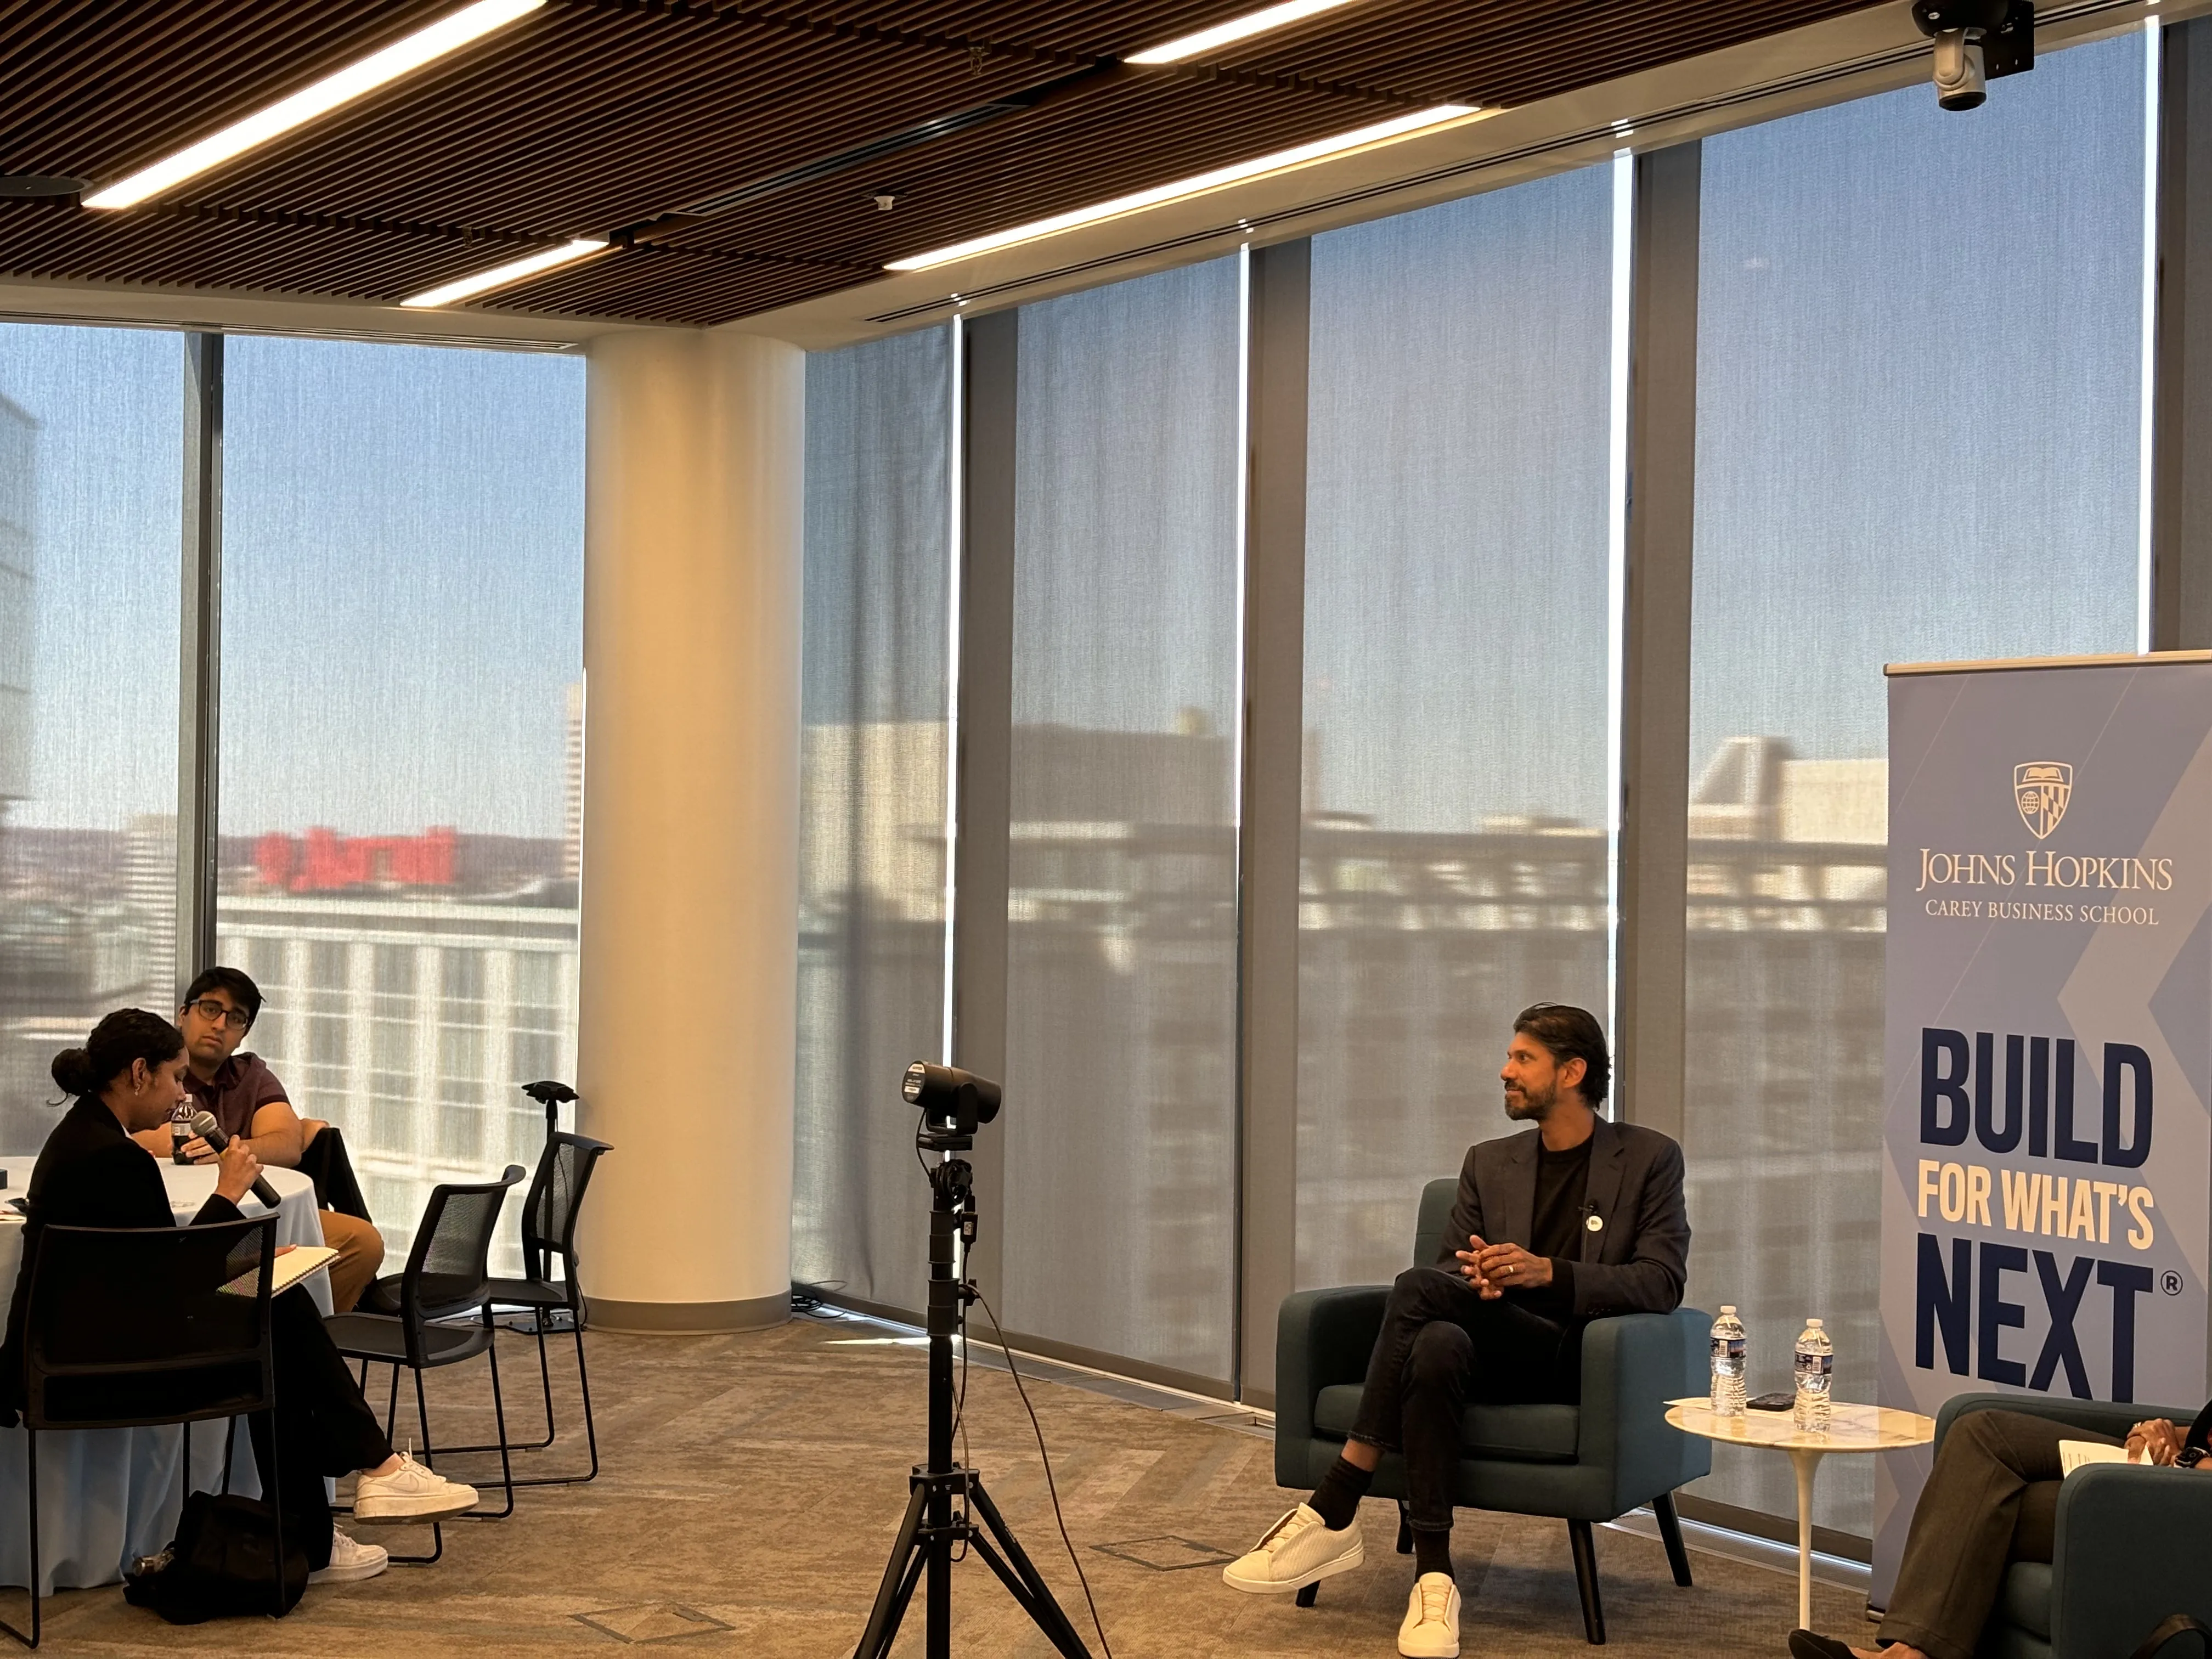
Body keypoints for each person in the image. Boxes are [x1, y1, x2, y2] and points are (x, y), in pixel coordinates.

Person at [1222, 1003, 1691, 1659]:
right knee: (1436, 1338)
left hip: (1572, 1356)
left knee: (1416, 1291)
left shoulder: (1647, 1159)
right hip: (1481, 1344)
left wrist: (1545, 1273)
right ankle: (1435, 1582)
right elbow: (1446, 1272)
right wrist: (1482, 1280)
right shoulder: (1490, 1161)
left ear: (1573, 1071)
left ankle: (1336, 1503)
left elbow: (1662, 1281)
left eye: (1523, 1059)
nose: (1506, 1071)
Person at [0, 1009, 479, 1587]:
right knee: (277, 1321)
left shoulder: (83, 1137)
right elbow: (176, 1284)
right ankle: (356, 1489)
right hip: (103, 1366)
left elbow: (155, 1274)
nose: (182, 1095)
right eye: (175, 1078)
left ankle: (345, 1502)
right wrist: (229, 1197)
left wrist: (248, 1261)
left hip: (96, 1340)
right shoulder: (113, 1160)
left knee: (276, 1302)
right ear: (137, 1074)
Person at [1790, 1403, 2212, 1659]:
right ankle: (1911, 1651)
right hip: (2177, 1466)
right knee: (1979, 1432)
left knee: (1988, 1499)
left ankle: (1909, 1653)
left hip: (2186, 1504)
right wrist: (2156, 1433)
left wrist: (2186, 1464)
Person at [127, 967, 386, 1313]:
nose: (219, 1025)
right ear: (183, 1014)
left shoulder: (252, 1075)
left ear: (244, 1033)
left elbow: (287, 1144)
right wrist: (249, 1141)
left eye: (235, 1018)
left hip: (259, 1213)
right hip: (176, 1222)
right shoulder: (154, 1071)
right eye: (210, 1009)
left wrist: (230, 1152)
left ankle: (299, 1344)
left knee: (362, 1242)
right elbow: (152, 1139)